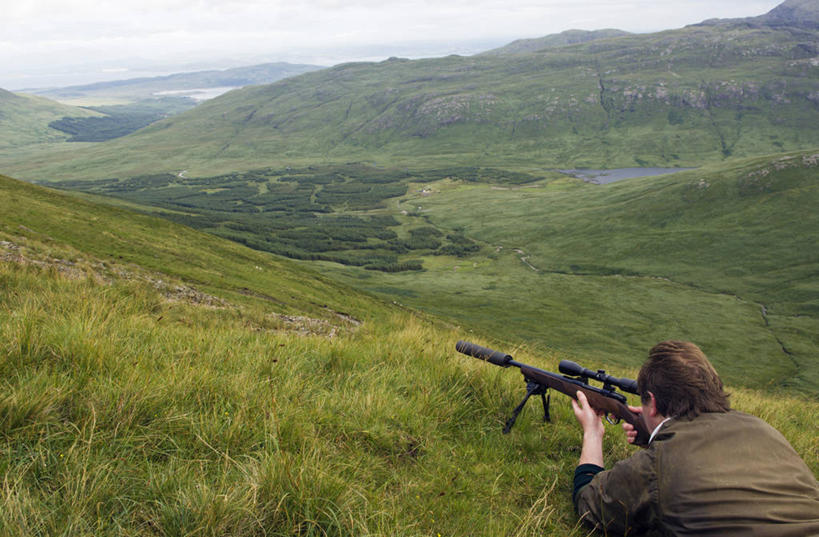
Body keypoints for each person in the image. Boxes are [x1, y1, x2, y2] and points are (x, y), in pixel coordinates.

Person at [570, 340, 819, 536]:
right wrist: (657, 434)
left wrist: (593, 433)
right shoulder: (763, 428)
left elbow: (590, 507)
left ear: (652, 403)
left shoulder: (657, 465)